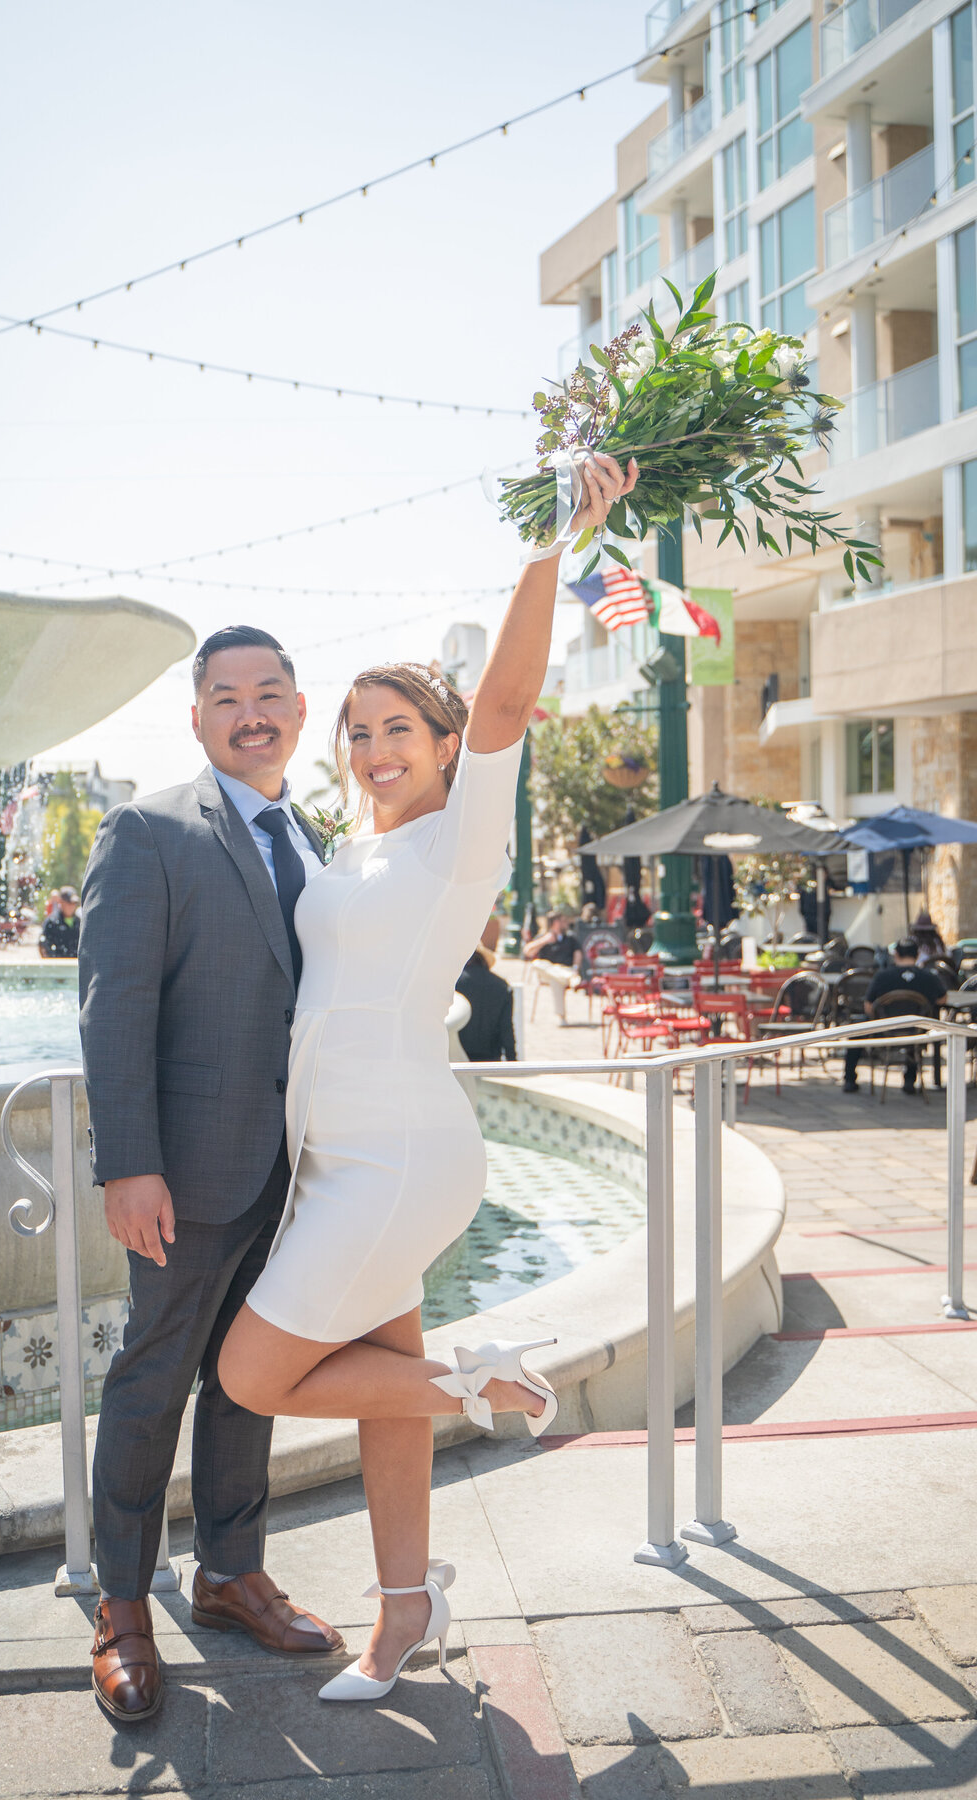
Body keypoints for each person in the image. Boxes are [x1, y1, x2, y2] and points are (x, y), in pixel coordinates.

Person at [215, 449, 638, 1704]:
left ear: (448, 744)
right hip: (338, 1158)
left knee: (252, 1376)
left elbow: (508, 699)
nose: (372, 745)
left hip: (400, 1158)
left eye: (399, 727)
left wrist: (550, 545)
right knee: (380, 1401)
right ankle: (408, 1618)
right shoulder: (352, 849)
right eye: (358, 732)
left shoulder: (463, 840)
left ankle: (488, 1377)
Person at [78, 624, 344, 1726]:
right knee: (152, 1380)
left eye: (270, 692)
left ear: (296, 707)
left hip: (300, 1172)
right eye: (227, 695)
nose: (251, 711)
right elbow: (114, 1006)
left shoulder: (313, 833)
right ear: (197, 718)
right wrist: (128, 1165)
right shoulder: (148, 829)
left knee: (251, 1379)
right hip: (185, 1174)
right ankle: (123, 1603)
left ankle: (230, 1573)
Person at [842, 937, 947, 1094]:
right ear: (917, 955)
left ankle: (849, 1080)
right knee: (914, 1024)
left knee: (856, 1030)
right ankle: (910, 1080)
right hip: (916, 1032)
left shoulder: (882, 976)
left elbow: (868, 1007)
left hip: (885, 1032)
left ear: (896, 954)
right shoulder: (929, 977)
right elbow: (943, 999)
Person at [455, 945, 516, 1063]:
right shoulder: (502, 986)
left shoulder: (454, 984)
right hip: (490, 1058)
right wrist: (512, 1060)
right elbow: (506, 1028)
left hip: (457, 1057)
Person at [523, 909, 582, 1022]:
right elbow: (527, 951)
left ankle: (561, 1017)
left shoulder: (570, 938)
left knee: (555, 980)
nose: (566, 923)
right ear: (555, 922)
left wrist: (575, 969)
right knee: (537, 964)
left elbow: (578, 953)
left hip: (565, 970)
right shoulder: (543, 936)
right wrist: (544, 941)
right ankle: (570, 977)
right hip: (548, 971)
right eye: (563, 921)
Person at [38, 886, 80, 958]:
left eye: (74, 903)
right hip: (57, 965)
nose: (72, 906)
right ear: (61, 902)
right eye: (69, 903)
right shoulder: (51, 922)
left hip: (75, 965)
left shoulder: (79, 922)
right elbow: (43, 946)